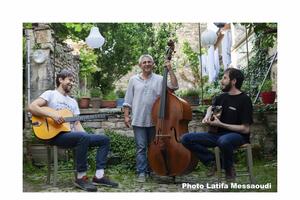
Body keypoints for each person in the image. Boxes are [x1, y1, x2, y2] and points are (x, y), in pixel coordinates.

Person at [28, 69, 118, 192]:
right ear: (60, 80)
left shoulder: (73, 102)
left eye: (73, 81)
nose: (72, 83)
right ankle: (81, 177)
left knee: (104, 139)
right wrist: (53, 115)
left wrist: (86, 137)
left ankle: (99, 176)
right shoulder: (50, 94)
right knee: (83, 137)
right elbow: (32, 107)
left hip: (71, 135)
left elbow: (76, 123)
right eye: (70, 80)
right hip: (55, 135)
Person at [181, 67, 253, 181]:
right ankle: (213, 161)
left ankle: (229, 170)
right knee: (185, 138)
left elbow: (245, 129)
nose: (221, 81)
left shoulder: (245, 100)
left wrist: (221, 124)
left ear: (233, 81)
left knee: (223, 141)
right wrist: (207, 115)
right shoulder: (222, 97)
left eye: (225, 78)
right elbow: (211, 107)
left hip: (237, 136)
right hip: (216, 135)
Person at [123, 54, 178, 182]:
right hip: (138, 119)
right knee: (141, 147)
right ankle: (142, 171)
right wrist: (126, 116)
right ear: (140, 65)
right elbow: (127, 100)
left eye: (149, 62)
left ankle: (154, 169)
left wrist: (170, 69)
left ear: (153, 64)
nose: (147, 64)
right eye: (144, 62)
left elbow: (174, 86)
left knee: (156, 147)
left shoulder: (160, 79)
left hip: (156, 121)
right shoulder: (133, 80)